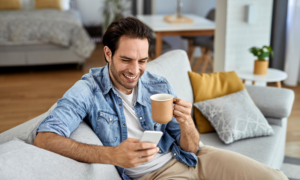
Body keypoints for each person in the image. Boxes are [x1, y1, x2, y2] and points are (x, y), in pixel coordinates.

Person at [34, 17, 288, 180]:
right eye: (126, 60)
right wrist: (112, 155)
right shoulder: (87, 90)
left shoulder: (157, 84)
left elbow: (191, 147)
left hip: (193, 158)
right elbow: (44, 138)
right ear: (108, 53)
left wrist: (187, 122)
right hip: (155, 175)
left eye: (142, 61)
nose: (135, 70)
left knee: (275, 178)